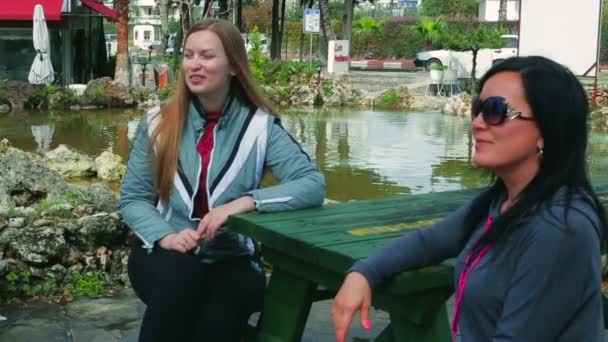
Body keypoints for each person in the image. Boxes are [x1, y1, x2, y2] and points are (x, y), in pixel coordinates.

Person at [332, 56, 607, 342]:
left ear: (546, 130)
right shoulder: (502, 202)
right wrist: (363, 273)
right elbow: (428, 242)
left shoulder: (559, 229)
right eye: (478, 109)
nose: (476, 123)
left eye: (495, 111)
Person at [119, 18, 326, 342]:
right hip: (162, 254)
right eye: (188, 55)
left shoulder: (260, 127)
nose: (194, 65)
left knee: (220, 314)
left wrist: (243, 204)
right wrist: (167, 238)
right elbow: (132, 198)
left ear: (233, 65)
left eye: (207, 56)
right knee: (181, 277)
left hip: (232, 258)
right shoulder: (158, 121)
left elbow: (312, 184)